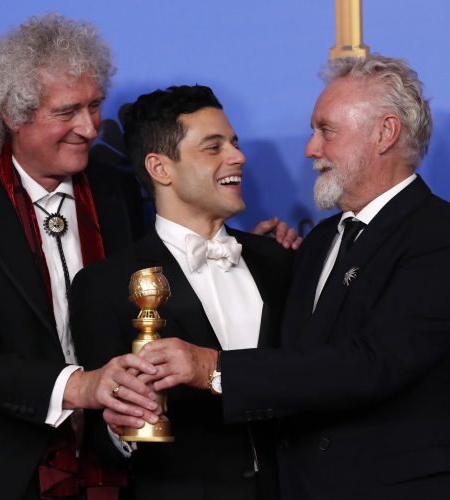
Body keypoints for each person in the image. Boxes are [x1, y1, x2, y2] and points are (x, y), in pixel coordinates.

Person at [121, 55, 450, 499]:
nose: (310, 149)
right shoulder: (316, 245)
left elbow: (371, 363)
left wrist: (213, 369)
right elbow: (297, 358)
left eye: (326, 131)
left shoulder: (436, 235)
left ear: (384, 133)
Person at [0, 14, 160, 500]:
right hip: (2, 468)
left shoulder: (117, 189)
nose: (88, 128)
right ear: (13, 115)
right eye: (67, 112)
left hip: (114, 467)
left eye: (94, 106)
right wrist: (79, 388)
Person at [69, 85, 295, 500]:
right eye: (213, 147)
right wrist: (123, 429)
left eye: (234, 143)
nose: (238, 157)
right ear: (161, 168)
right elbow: (104, 443)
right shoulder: (105, 286)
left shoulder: (280, 262)